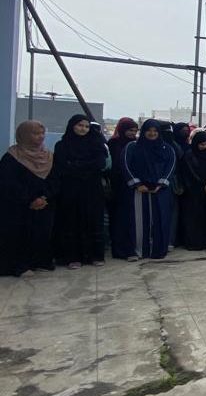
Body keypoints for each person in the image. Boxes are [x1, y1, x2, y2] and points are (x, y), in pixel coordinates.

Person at [0, 120, 58, 277]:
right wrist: (30, 199)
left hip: (44, 204)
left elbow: (55, 180)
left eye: (42, 133)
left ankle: (40, 262)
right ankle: (19, 266)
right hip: (19, 206)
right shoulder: (12, 157)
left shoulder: (48, 156)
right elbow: (8, 183)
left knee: (42, 233)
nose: (40, 137)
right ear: (24, 135)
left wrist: (45, 197)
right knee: (19, 234)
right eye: (35, 133)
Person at [52, 114, 108, 268]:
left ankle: (95, 255)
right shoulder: (62, 145)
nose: (83, 129)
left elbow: (100, 164)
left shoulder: (96, 144)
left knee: (93, 221)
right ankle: (72, 257)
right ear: (72, 126)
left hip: (92, 189)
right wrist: (83, 166)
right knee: (72, 221)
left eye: (86, 126)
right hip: (70, 189)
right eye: (80, 125)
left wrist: (76, 165)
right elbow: (62, 165)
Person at [119, 119, 177, 260]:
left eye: (155, 131)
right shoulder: (132, 147)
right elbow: (125, 165)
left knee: (160, 219)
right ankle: (137, 250)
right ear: (143, 131)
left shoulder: (167, 149)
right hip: (139, 191)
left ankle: (158, 250)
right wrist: (137, 184)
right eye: (149, 130)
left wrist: (161, 184)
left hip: (160, 190)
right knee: (137, 220)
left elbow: (171, 167)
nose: (152, 133)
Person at [178, 131, 206, 251]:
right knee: (193, 218)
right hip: (193, 191)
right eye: (201, 144)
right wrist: (202, 184)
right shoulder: (189, 155)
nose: (204, 147)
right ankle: (193, 243)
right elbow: (189, 173)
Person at [106, 117, 138, 247]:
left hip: (133, 184)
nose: (133, 133)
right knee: (117, 215)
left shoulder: (136, 144)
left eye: (135, 131)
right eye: (130, 130)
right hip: (117, 184)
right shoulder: (113, 143)